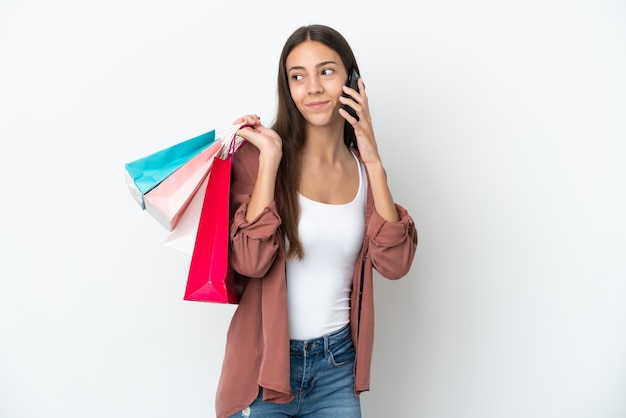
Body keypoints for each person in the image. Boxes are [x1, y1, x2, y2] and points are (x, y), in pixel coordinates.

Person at [216, 24, 418, 418]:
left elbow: (395, 264)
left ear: (352, 80)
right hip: (266, 372)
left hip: (337, 369)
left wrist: (374, 160)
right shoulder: (259, 160)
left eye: (326, 71)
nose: (312, 87)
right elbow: (250, 261)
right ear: (287, 88)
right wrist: (271, 162)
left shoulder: (365, 172)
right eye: (298, 76)